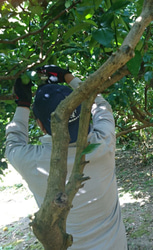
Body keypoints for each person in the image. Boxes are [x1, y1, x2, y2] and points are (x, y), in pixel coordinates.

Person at [5, 65, 128, 250]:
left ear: (41, 125)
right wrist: (68, 77)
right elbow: (101, 105)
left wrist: (22, 103)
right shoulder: (103, 143)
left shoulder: (30, 161)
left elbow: (13, 140)